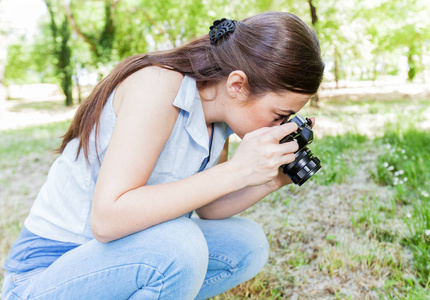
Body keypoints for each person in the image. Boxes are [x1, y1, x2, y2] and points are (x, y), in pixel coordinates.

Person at [1, 11, 324, 300]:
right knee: (179, 247)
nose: (280, 127)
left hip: (111, 261)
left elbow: (210, 207)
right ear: (237, 85)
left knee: (247, 244)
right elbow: (108, 219)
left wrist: (271, 179)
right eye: (279, 115)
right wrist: (236, 171)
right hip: (43, 276)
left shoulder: (221, 119)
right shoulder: (159, 86)